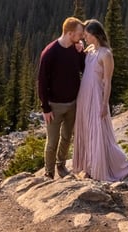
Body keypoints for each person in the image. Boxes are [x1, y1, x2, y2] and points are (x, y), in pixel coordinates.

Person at [72, 19, 128, 181]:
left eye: (86, 35)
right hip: (84, 96)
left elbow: (108, 81)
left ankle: (113, 167)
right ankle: (89, 166)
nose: (84, 38)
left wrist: (104, 104)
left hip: (96, 97)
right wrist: (80, 49)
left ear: (94, 34)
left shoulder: (106, 54)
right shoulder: (90, 50)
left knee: (99, 133)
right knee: (87, 131)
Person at [37, 16, 86, 179]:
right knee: (52, 142)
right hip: (54, 105)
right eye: (79, 33)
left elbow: (83, 68)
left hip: (72, 103)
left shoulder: (75, 49)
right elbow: (42, 81)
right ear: (70, 33)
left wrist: (82, 52)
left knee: (66, 137)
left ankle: (61, 165)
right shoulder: (50, 53)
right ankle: (49, 172)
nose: (82, 36)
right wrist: (45, 107)